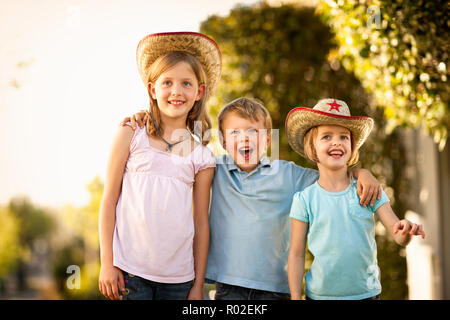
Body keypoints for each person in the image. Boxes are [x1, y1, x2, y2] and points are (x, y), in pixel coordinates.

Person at [124, 97, 382, 300]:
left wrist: (362, 172)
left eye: (253, 132)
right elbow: (170, 161)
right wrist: (147, 117)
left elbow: (333, 175)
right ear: (223, 142)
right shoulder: (213, 168)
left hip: (275, 289)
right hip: (228, 288)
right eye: (235, 133)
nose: (245, 138)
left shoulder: (288, 174)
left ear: (268, 139)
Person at [98, 32, 222, 300]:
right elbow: (109, 200)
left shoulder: (202, 156)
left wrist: (198, 285)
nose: (176, 91)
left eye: (186, 84)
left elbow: (201, 222)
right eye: (167, 82)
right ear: (152, 89)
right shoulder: (131, 134)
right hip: (130, 272)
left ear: (199, 92)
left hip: (179, 279)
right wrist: (107, 263)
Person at [286, 98, 426, 300]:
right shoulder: (304, 199)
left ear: (351, 146)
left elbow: (398, 234)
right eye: (326, 137)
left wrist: (406, 231)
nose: (336, 142)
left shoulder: (368, 189)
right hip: (319, 297)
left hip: (366, 295)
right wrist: (294, 296)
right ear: (312, 147)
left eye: (344, 137)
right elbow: (296, 254)